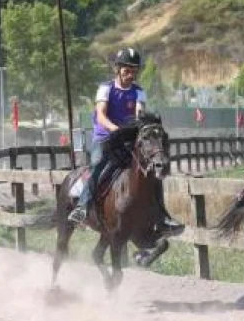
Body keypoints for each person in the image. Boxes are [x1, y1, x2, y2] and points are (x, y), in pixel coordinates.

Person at [68, 48, 183, 235]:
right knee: (97, 166)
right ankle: (82, 207)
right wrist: (117, 130)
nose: (130, 74)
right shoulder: (106, 89)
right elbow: (101, 116)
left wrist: (141, 126)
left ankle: (162, 216)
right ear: (118, 69)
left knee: (151, 172)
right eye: (126, 70)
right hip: (105, 138)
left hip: (128, 140)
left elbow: (139, 114)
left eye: (134, 70)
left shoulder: (139, 92)